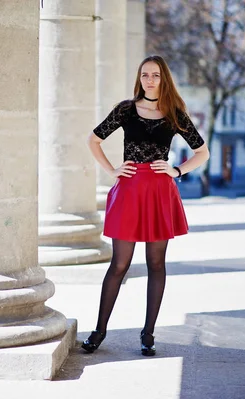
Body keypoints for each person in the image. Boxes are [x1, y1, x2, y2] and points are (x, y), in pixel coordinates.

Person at [83, 55, 210, 356]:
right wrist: (113, 170)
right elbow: (93, 140)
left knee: (156, 264)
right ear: (139, 79)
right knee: (119, 264)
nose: (149, 80)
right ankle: (99, 331)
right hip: (129, 189)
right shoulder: (126, 110)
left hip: (159, 192)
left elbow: (202, 152)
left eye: (155, 75)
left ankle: (148, 334)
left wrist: (177, 170)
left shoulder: (174, 113)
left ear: (163, 78)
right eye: (144, 75)